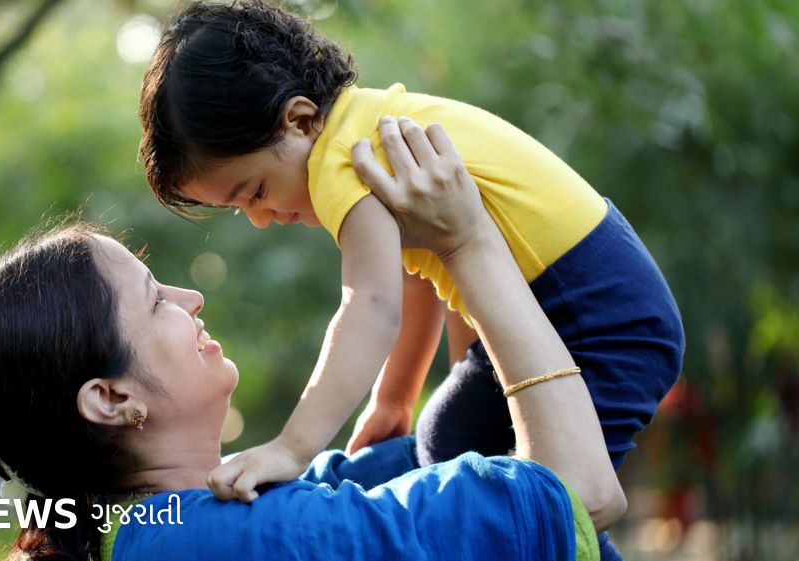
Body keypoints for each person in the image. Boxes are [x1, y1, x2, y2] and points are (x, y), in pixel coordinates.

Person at [0, 121, 626, 561]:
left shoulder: (190, 526)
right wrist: (467, 241)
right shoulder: (215, 547)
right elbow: (579, 496)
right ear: (112, 397)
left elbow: (461, 459)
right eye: (153, 300)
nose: (191, 298)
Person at [139, 0, 682, 507]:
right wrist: (394, 400)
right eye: (240, 208)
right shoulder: (368, 125)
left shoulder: (344, 161)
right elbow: (415, 275)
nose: (261, 217)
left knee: (556, 499)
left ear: (299, 120)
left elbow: (370, 305)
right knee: (452, 439)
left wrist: (292, 447)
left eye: (255, 192)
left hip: (598, 315)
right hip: (575, 300)